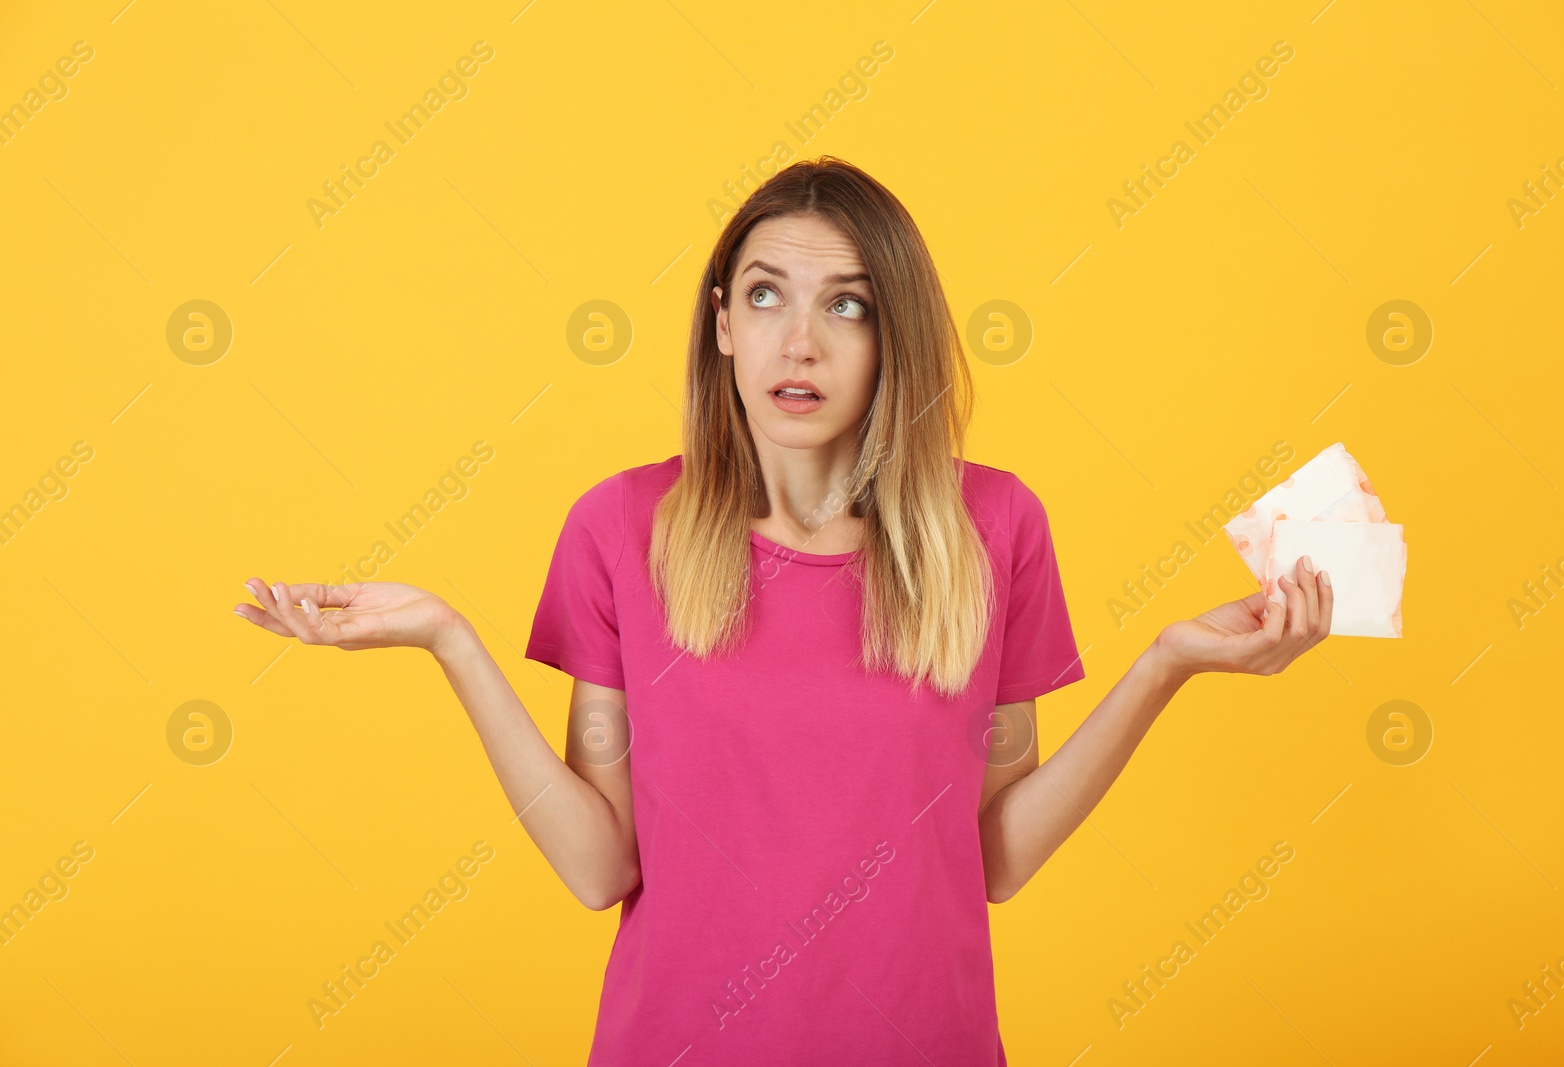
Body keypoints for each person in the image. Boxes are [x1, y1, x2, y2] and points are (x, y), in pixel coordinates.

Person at [233, 157, 1333, 1065]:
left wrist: (1166, 664)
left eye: (844, 305)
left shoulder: (991, 528)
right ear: (720, 325)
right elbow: (598, 866)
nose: (796, 341)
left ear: (889, 336)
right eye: (764, 295)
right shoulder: (620, 530)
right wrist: (445, 636)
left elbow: (991, 855)